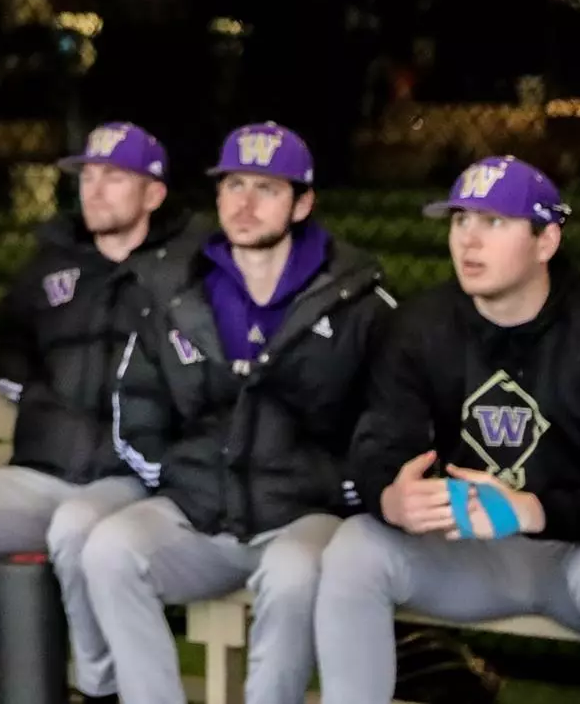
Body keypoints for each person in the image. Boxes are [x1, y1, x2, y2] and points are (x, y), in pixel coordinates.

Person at [83, 122, 394, 704]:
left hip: (302, 512)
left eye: (267, 189)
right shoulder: (179, 289)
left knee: (296, 575)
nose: (244, 204)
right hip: (198, 510)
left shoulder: (357, 302)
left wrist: (348, 488)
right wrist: (171, 475)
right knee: (108, 550)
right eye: (233, 186)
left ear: (302, 203)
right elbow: (138, 400)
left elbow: (391, 414)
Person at [315, 157, 580, 703]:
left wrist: (535, 509)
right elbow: (378, 441)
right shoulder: (421, 325)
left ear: (546, 241)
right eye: (461, 220)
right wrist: (391, 496)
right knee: (356, 549)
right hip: (471, 550)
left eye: (495, 222)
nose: (469, 240)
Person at [0, 122, 201, 703]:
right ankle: (0, 679)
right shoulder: (52, 264)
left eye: (114, 177)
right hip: (41, 470)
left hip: (133, 479)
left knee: (76, 531)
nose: (94, 189)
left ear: (155, 193)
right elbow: (6, 337)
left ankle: (99, 688)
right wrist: (35, 391)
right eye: (88, 176)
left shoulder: (192, 268)